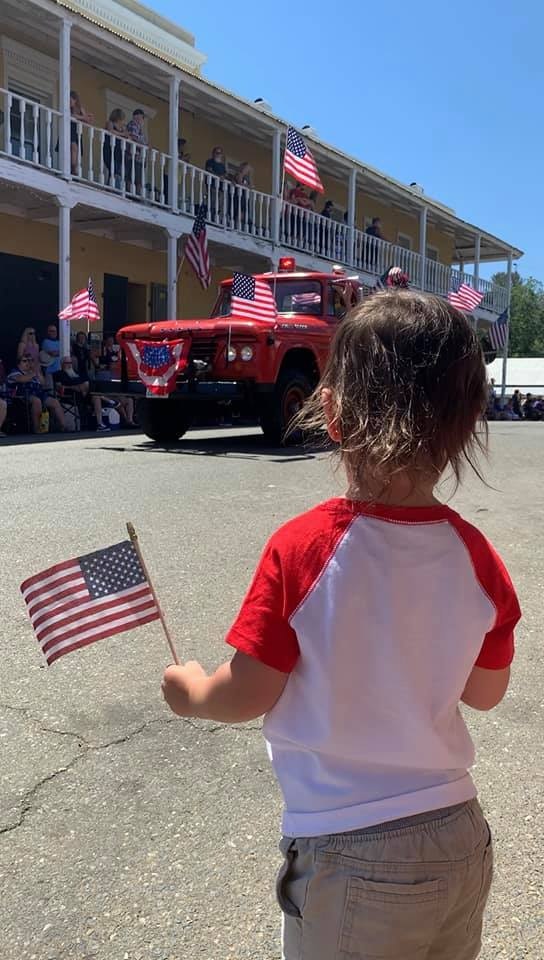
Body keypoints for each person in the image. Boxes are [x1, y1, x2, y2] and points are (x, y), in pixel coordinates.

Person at [161, 291, 521, 960]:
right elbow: (485, 692)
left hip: (351, 849)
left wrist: (191, 692)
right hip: (461, 836)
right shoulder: (477, 557)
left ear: (329, 411)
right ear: (469, 423)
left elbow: (247, 693)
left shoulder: (306, 547)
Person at [8, 355, 66, 433]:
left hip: (39, 393)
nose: (28, 363)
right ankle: (37, 428)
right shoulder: (14, 372)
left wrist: (37, 372)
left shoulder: (33, 373)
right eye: (24, 361)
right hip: (23, 395)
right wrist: (34, 373)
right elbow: (22, 379)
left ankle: (63, 426)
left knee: (55, 402)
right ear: (19, 363)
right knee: (37, 401)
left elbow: (43, 383)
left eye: (29, 361)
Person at [69, 91, 94, 175]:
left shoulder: (80, 109)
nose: (69, 102)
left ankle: (73, 168)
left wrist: (89, 117)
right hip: (69, 129)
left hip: (76, 131)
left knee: (76, 150)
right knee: (73, 148)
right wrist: (84, 117)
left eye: (71, 100)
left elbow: (87, 121)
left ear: (75, 100)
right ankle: (72, 168)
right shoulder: (67, 107)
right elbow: (71, 116)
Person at [103, 108, 129, 188]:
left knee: (119, 172)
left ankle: (115, 188)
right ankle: (111, 188)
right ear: (118, 118)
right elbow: (111, 131)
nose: (123, 121)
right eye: (122, 119)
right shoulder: (110, 123)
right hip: (110, 150)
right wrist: (122, 134)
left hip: (119, 152)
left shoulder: (122, 128)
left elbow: (127, 136)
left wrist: (125, 134)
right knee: (113, 170)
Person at [126, 108, 148, 193]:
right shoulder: (133, 125)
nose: (139, 121)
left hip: (138, 157)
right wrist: (145, 144)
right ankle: (132, 194)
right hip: (133, 156)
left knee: (138, 178)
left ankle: (136, 194)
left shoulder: (139, 128)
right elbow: (133, 137)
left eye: (140, 119)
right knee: (133, 177)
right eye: (137, 118)